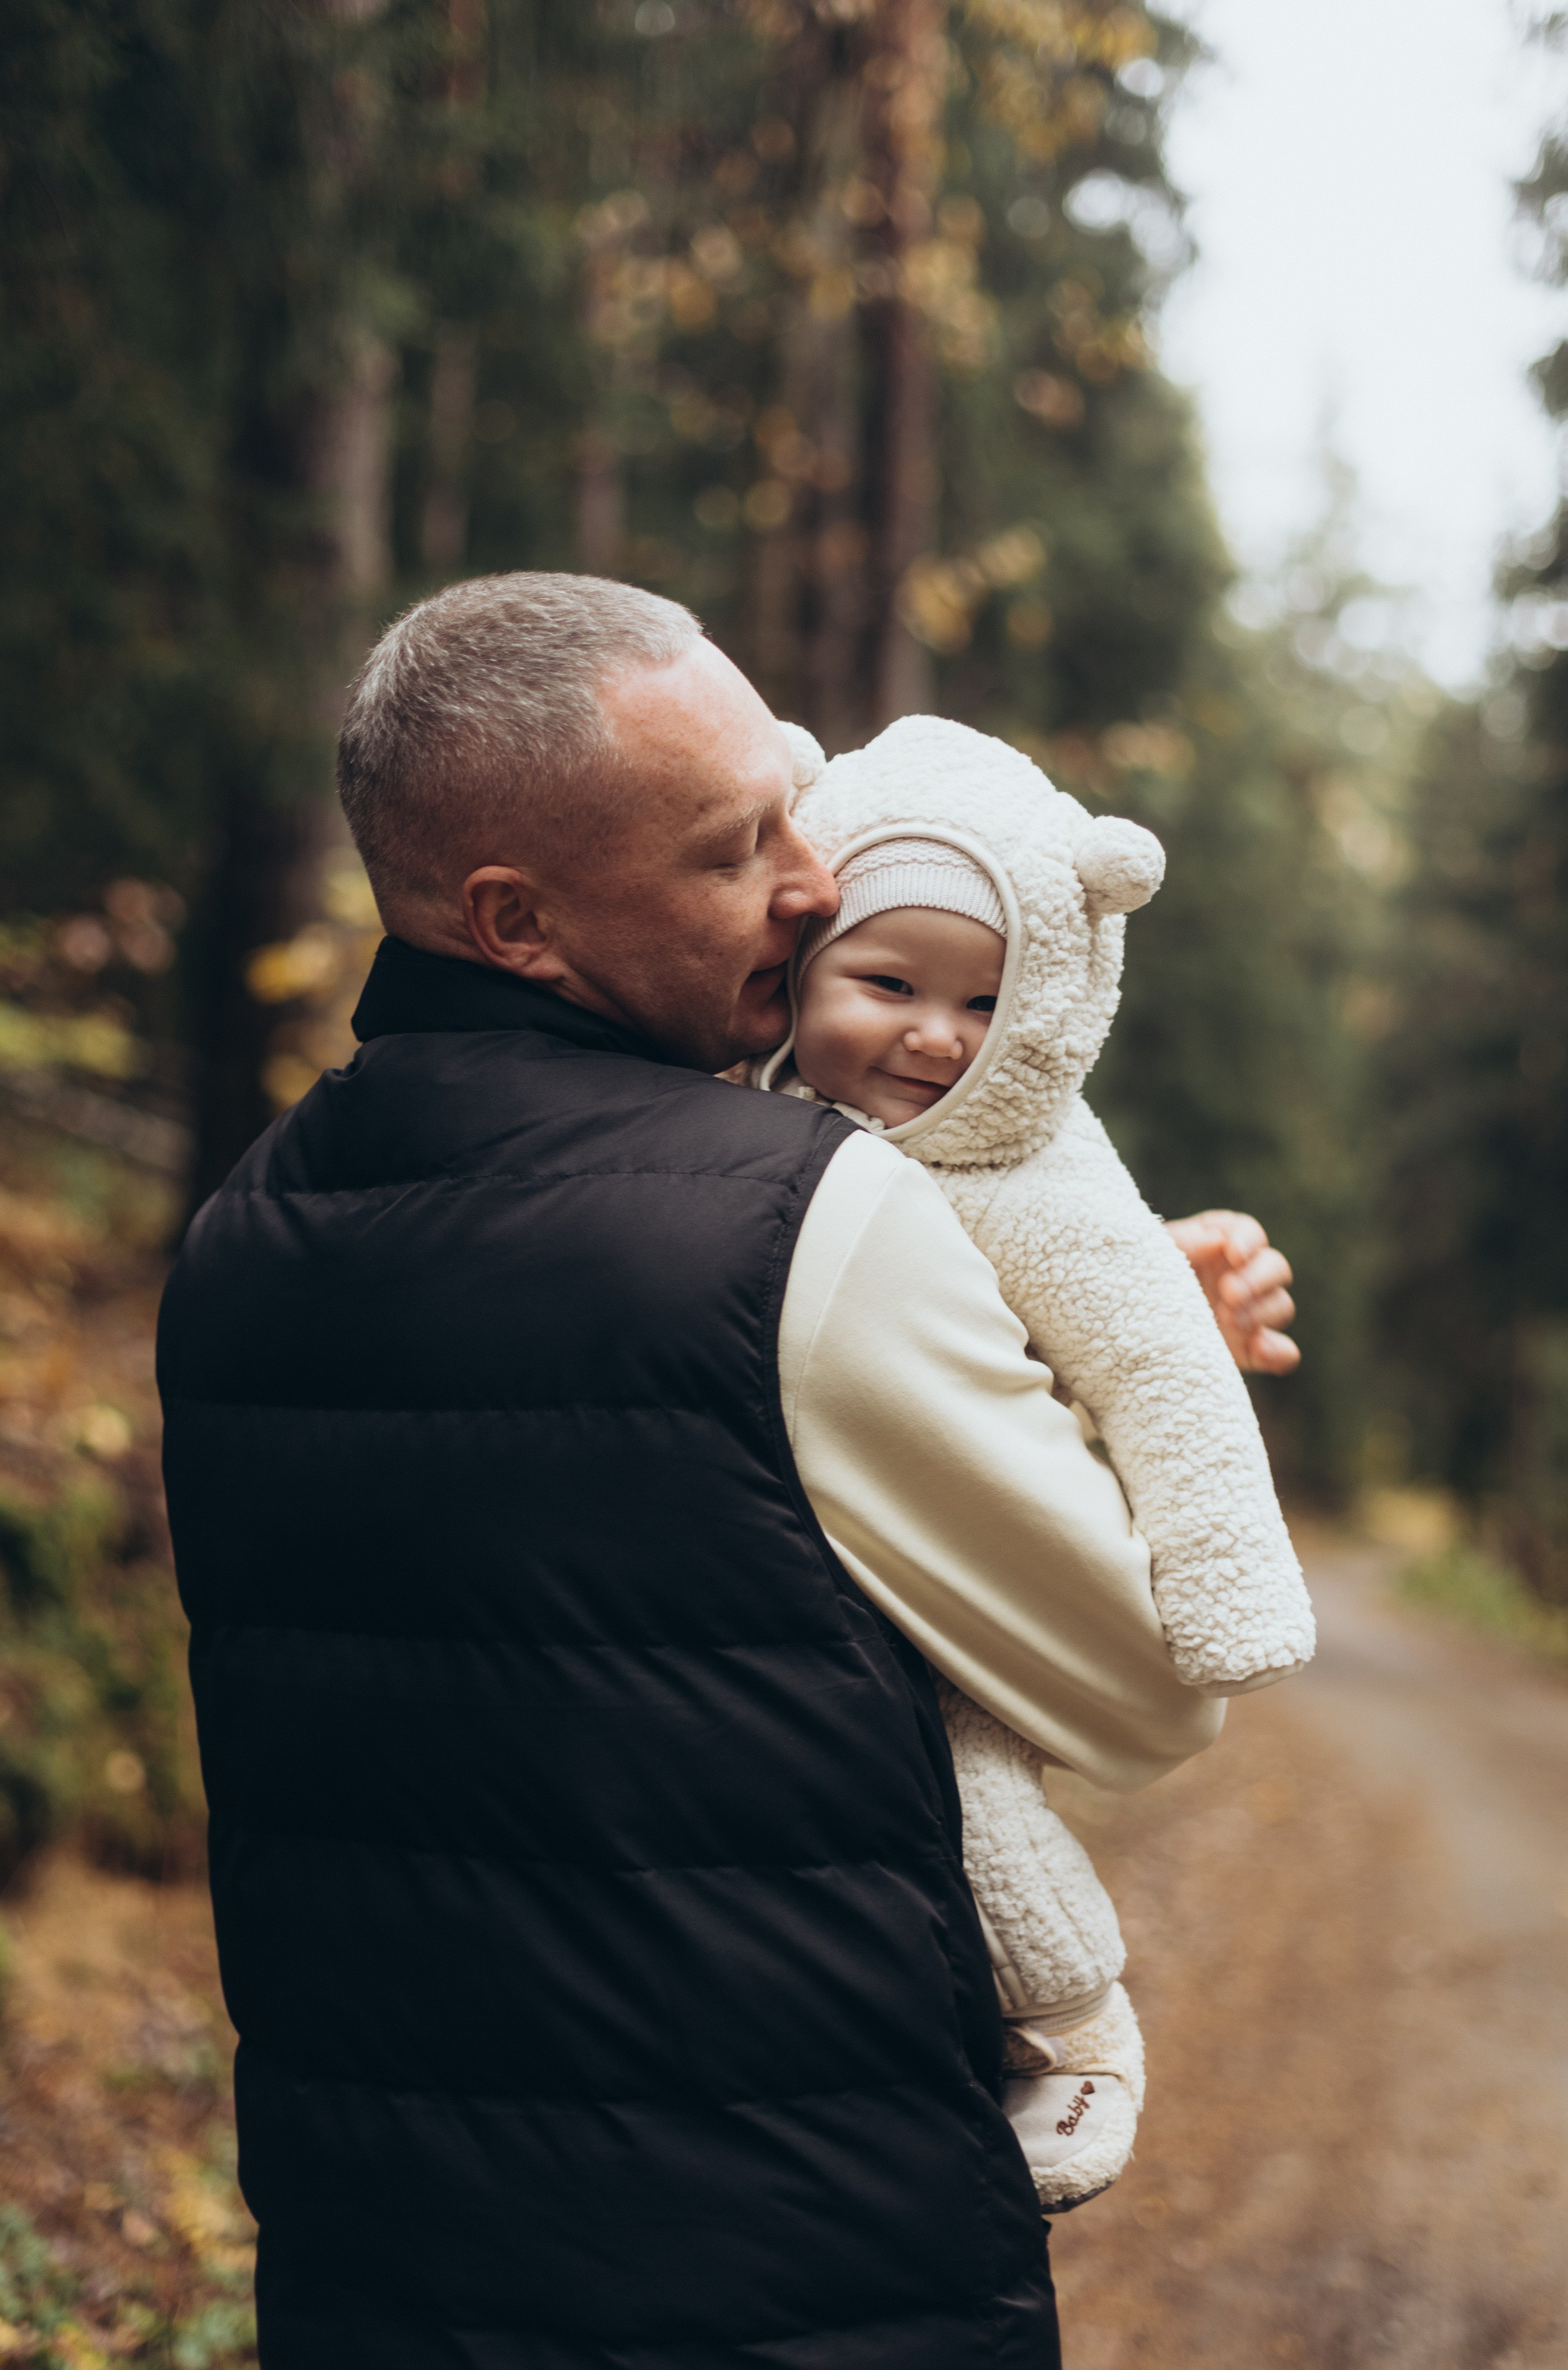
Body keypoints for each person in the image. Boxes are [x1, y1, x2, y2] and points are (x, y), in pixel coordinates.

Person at [157, 573, 1298, 2369]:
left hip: (375, 2267)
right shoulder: (804, 1225)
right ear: (517, 919)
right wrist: (1125, 1374)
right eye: (731, 848)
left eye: (792, 806)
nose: (813, 882)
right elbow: (1145, 1687)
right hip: (784, 2270)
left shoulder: (245, 1233)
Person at [753, 714, 1314, 2213]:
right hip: (794, 1605)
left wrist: (1227, 1585)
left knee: (970, 1792)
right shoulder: (728, 1115)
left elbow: (1155, 1365)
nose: (939, 1037)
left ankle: (1072, 2025)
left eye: (986, 1002)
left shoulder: (1045, 1176)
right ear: (798, 955)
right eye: (887, 984)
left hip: (943, 1614)